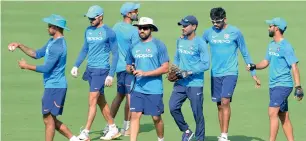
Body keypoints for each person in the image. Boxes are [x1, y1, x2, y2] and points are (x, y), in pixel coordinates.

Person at [8, 14, 81, 141]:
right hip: (52, 86)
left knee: (48, 120)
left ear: (56, 28)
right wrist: (20, 45)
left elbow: (46, 68)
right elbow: (36, 54)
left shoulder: (58, 46)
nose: (47, 28)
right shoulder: (52, 41)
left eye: (49, 26)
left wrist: (26, 66)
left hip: (55, 87)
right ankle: (75, 139)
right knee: (50, 119)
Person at [202, 7, 261, 141]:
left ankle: (224, 135)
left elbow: (245, 52)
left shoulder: (235, 32)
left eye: (218, 22)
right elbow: (199, 45)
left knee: (225, 101)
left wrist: (254, 74)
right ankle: (221, 133)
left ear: (225, 19)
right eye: (213, 22)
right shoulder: (208, 33)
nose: (215, 25)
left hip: (230, 72)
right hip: (215, 73)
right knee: (219, 105)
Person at [247, 17, 304, 141]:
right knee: (283, 116)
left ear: (276, 28)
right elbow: (265, 62)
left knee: (272, 112)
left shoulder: (286, 46)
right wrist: (254, 66)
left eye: (270, 26)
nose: (268, 28)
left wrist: (298, 86)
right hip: (273, 85)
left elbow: (294, 65)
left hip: (283, 85)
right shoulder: (271, 45)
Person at [70, 5, 120, 140]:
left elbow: (115, 54)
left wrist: (111, 74)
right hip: (90, 70)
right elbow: (84, 49)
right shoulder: (88, 30)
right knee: (100, 101)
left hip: (101, 69)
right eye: (89, 18)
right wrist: (76, 65)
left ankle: (85, 131)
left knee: (92, 100)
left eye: (92, 18)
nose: (90, 20)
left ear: (100, 17)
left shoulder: (109, 32)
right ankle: (113, 128)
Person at [126, 17, 169, 141]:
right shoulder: (133, 46)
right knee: (135, 115)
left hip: (154, 88)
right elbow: (128, 66)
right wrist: (131, 70)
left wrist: (145, 73)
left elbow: (165, 68)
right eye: (140, 28)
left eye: (145, 28)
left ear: (151, 29)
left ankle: (161, 139)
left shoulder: (159, 45)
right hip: (137, 88)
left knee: (156, 118)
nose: (142, 30)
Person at [168, 15, 210, 141]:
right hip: (180, 82)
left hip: (195, 83)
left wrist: (188, 72)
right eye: (182, 26)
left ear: (194, 26)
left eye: (185, 26)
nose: (183, 28)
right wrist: (173, 70)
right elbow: (177, 58)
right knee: (173, 107)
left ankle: (200, 138)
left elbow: (205, 64)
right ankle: (186, 131)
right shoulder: (180, 40)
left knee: (197, 113)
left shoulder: (200, 43)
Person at [107, 2, 140, 137]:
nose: (137, 13)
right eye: (135, 11)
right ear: (128, 14)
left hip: (119, 68)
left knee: (119, 96)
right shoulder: (134, 31)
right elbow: (136, 51)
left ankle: (109, 125)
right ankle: (127, 128)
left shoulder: (115, 27)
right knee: (130, 98)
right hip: (130, 68)